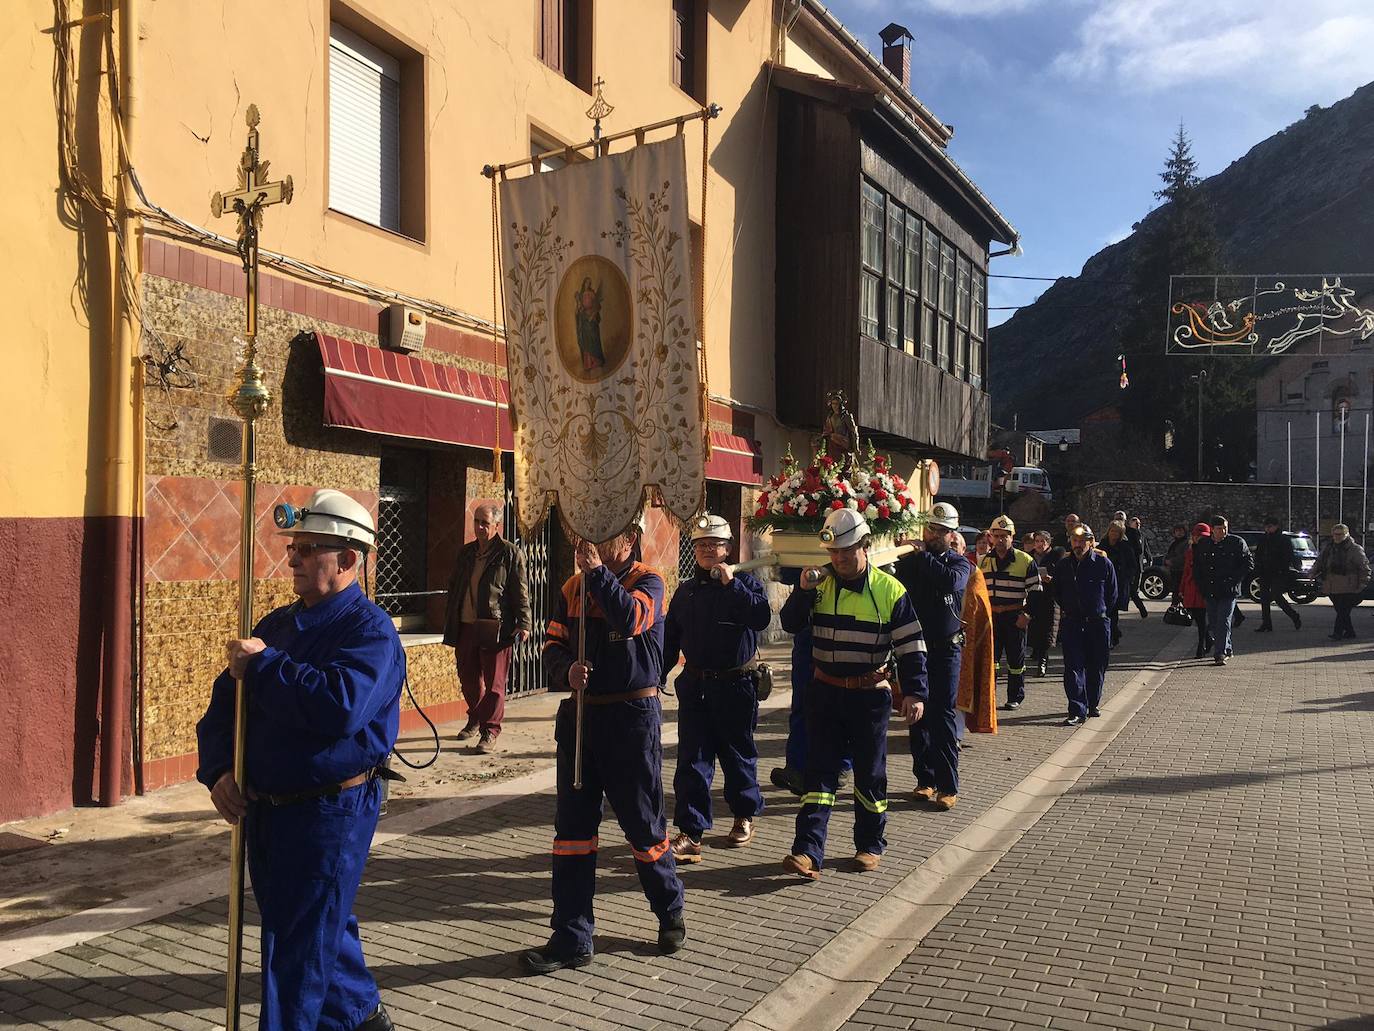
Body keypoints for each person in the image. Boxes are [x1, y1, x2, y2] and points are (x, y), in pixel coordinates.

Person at [196, 489, 404, 1031]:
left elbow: (339, 706)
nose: (293, 559)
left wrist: (265, 669)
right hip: (267, 813)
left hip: (328, 814)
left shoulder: (371, 631)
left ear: (349, 560)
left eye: (309, 549)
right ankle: (360, 1014)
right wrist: (218, 770)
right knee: (312, 929)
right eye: (294, 547)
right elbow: (223, 710)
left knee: (295, 956)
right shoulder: (276, 626)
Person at [524, 522, 686, 972]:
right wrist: (564, 671)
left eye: (600, 535)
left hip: (631, 721)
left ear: (629, 537)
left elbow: (630, 619)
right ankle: (572, 935)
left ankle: (669, 908)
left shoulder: (649, 581)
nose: (588, 544)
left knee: (642, 824)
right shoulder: (573, 587)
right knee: (572, 833)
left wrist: (597, 573)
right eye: (583, 536)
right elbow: (552, 642)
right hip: (580, 719)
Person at [780, 508, 928, 879]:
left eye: (847, 551)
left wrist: (914, 692)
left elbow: (911, 646)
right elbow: (790, 623)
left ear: (865, 546)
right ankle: (807, 850)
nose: (840, 559)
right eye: (834, 553)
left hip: (869, 696)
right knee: (819, 776)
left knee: (869, 774)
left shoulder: (890, 591)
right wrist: (801, 592)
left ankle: (868, 845)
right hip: (825, 693)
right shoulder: (819, 585)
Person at [665, 514, 772, 863]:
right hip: (695, 685)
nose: (709, 550)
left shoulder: (746, 584)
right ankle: (691, 832)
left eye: (715, 544)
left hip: (736, 685)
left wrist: (733, 586)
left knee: (738, 756)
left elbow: (760, 618)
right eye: (701, 545)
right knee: (692, 761)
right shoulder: (686, 591)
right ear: (693, 550)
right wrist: (655, 677)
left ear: (728, 548)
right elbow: (670, 639)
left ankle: (744, 815)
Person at [893, 502, 969, 810]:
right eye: (930, 528)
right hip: (916, 649)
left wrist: (921, 554)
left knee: (942, 715)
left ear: (952, 534)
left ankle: (948, 785)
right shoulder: (913, 561)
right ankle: (924, 780)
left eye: (940, 531)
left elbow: (949, 582)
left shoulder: (959, 564)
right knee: (917, 715)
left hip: (946, 648)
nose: (933, 534)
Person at [442, 503, 532, 754]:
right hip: (465, 624)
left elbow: (520, 592)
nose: (480, 528)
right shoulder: (467, 553)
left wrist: (524, 623)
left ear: (496, 526)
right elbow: (455, 586)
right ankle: (475, 717)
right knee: (468, 677)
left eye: (485, 523)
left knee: (494, 683)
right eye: (477, 522)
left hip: (495, 626)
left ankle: (490, 730)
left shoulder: (510, 554)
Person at [1052, 523, 1117, 727]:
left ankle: (1092, 703)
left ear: (1091, 542)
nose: (1078, 545)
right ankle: (1076, 709)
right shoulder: (1063, 566)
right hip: (1073, 622)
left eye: (1082, 541)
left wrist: (1099, 610)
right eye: (1075, 541)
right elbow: (1057, 592)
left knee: (1096, 666)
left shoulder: (1103, 564)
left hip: (1097, 623)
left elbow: (1112, 594)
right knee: (1073, 667)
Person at [978, 515, 1041, 710]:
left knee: (1016, 660)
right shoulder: (984, 561)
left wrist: (1027, 615)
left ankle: (1015, 696)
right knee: (991, 660)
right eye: (997, 536)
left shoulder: (1025, 560)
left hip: (1015, 616)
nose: (1001, 540)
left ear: (1012, 536)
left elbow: (1036, 592)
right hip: (992, 618)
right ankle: (990, 696)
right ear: (991, 537)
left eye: (1005, 536)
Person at [1193, 515, 1254, 665]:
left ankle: (1219, 653)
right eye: (1219, 529)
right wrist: (1201, 585)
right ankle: (1227, 647)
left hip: (1228, 590)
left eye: (1225, 528)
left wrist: (1234, 580)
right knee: (1213, 622)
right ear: (1212, 529)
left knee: (1224, 620)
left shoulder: (1237, 543)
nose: (1223, 531)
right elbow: (1197, 566)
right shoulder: (1204, 544)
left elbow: (1248, 564)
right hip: (1210, 589)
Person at [952, 531, 997, 735]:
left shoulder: (971, 572)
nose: (952, 547)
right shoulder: (930, 568)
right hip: (935, 639)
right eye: (949, 543)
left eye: (956, 545)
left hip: (963, 640)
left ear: (963, 550)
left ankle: (956, 734)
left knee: (960, 689)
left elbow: (979, 604)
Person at [1313, 523, 1371, 639]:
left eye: (1340, 534)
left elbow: (1364, 568)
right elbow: (1319, 562)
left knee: (1343, 611)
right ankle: (1350, 632)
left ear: (1346, 534)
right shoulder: (1329, 548)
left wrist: (1362, 584)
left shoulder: (1354, 549)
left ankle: (1337, 633)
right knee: (1341, 611)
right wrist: (1312, 572)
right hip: (1332, 585)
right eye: (1335, 534)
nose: (1337, 537)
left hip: (1349, 585)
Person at [1254, 517, 1302, 632]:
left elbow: (1288, 555)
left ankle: (1294, 615)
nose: (1267, 529)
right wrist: (1258, 566)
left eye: (1270, 526)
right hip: (1265, 572)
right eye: (1266, 527)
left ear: (1276, 526)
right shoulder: (1264, 539)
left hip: (1279, 572)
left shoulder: (1283, 539)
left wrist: (1285, 568)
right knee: (1264, 598)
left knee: (1277, 595)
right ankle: (1266, 623)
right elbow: (1259, 554)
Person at [1026, 531, 1063, 678]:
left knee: (1046, 631)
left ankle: (1042, 661)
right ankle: (1036, 655)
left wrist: (1051, 580)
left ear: (1048, 542)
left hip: (1049, 598)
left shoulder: (1056, 557)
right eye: (1037, 541)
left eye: (1043, 541)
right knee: (1034, 630)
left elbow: (1061, 578)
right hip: (1034, 597)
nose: (1040, 544)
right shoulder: (1029, 557)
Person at [1179, 523, 1213, 659]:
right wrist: (1181, 589)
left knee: (1201, 619)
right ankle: (1208, 641)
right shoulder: (1190, 551)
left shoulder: (1209, 550)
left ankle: (1201, 647)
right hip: (1190, 588)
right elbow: (1186, 571)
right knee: (1198, 619)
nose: (1200, 539)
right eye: (1198, 536)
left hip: (1201, 588)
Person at [1102, 521, 1139, 645]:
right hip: (1103, 582)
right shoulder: (1103, 545)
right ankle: (1114, 633)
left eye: (1117, 532)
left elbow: (1132, 565)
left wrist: (1127, 578)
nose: (1114, 534)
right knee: (1106, 611)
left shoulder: (1125, 547)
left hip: (1118, 582)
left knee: (1113, 611)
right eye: (1112, 531)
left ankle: (1112, 637)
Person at [1123, 516, 1150, 617]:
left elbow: (1144, 548)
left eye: (1139, 523)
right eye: (1135, 523)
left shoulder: (1140, 534)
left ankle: (1141, 609)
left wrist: (1149, 558)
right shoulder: (1126, 534)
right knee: (1131, 590)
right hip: (1128, 565)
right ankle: (1142, 609)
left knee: (1133, 589)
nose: (1138, 524)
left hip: (1137, 566)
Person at [1163, 523, 1189, 603]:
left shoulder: (1186, 543)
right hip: (1174, 571)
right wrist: (1166, 560)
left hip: (1181, 571)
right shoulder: (1174, 543)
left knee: (1179, 593)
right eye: (1177, 531)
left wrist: (1172, 561)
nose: (1179, 533)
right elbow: (1168, 554)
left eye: (1181, 531)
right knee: (1175, 592)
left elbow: (1184, 556)